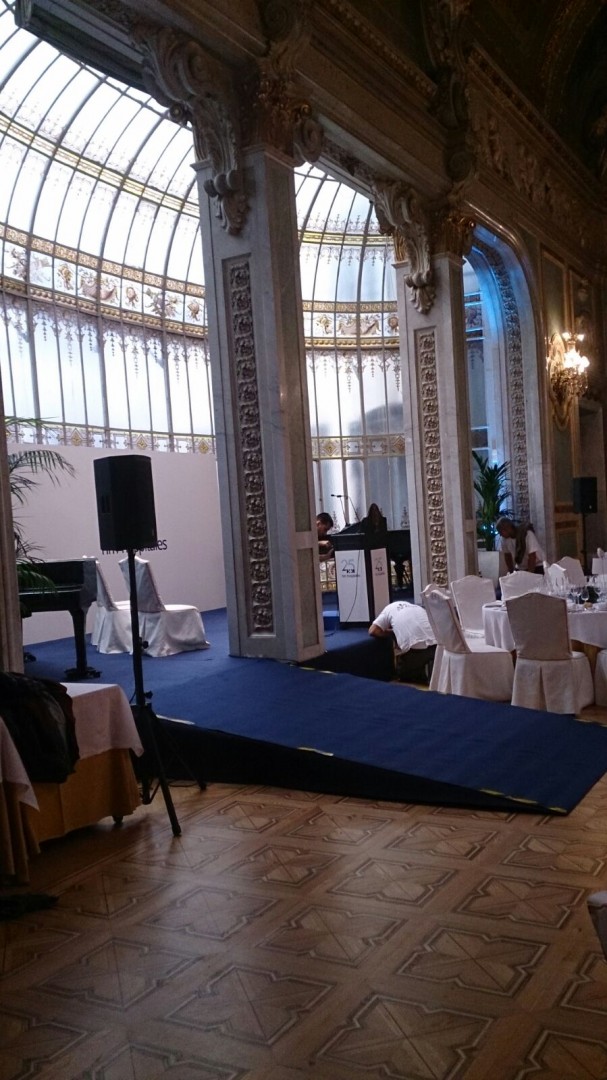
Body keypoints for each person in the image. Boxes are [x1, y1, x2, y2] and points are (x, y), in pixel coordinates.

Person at [369, 600, 436, 683]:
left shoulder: (388, 610)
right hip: (438, 647)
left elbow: (373, 630)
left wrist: (393, 633)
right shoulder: (418, 608)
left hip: (416, 650)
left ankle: (422, 673)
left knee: (404, 675)